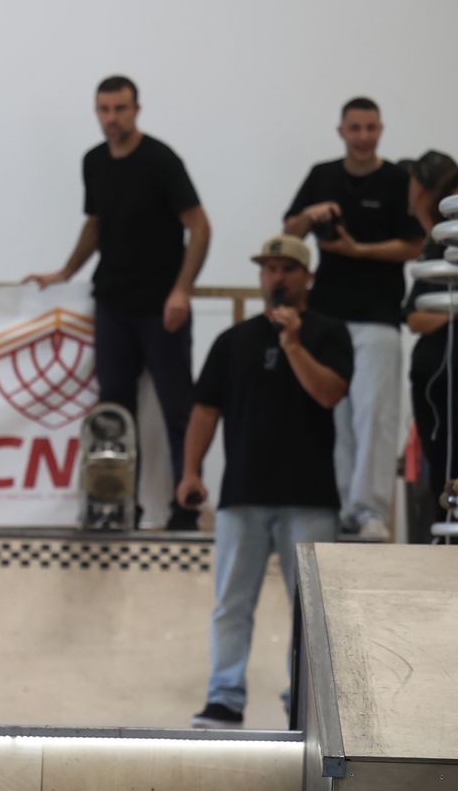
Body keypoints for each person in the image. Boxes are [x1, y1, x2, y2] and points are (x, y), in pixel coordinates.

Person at [25, 75, 212, 531]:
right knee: (114, 414)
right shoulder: (94, 161)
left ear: (137, 109)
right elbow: (95, 224)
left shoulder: (162, 161)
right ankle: (119, 508)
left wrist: (182, 289)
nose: (112, 119)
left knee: (177, 410)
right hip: (112, 303)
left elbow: (200, 227)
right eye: (104, 110)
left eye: (120, 109)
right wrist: (66, 273)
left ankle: (183, 510)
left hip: (160, 307)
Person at [180, 235, 352, 729]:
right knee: (231, 603)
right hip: (243, 496)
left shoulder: (328, 334)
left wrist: (292, 343)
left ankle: (303, 696)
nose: (277, 277)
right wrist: (191, 472)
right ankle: (224, 697)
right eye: (269, 268)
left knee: (312, 609)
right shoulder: (233, 342)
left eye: (288, 269)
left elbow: (329, 394)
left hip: (310, 497)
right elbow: (205, 409)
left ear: (307, 278)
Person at [283, 97, 423, 540]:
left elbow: (414, 244)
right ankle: (342, 507)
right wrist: (312, 215)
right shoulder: (322, 175)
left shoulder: (399, 180)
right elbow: (289, 232)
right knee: (335, 414)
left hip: (379, 315)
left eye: (370, 128)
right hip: (326, 315)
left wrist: (357, 250)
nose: (363, 136)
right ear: (341, 131)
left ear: (381, 130)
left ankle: (370, 511)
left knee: (375, 414)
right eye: (355, 128)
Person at [402, 153, 458, 544]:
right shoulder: (438, 248)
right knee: (441, 463)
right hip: (436, 375)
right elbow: (414, 317)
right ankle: (442, 536)